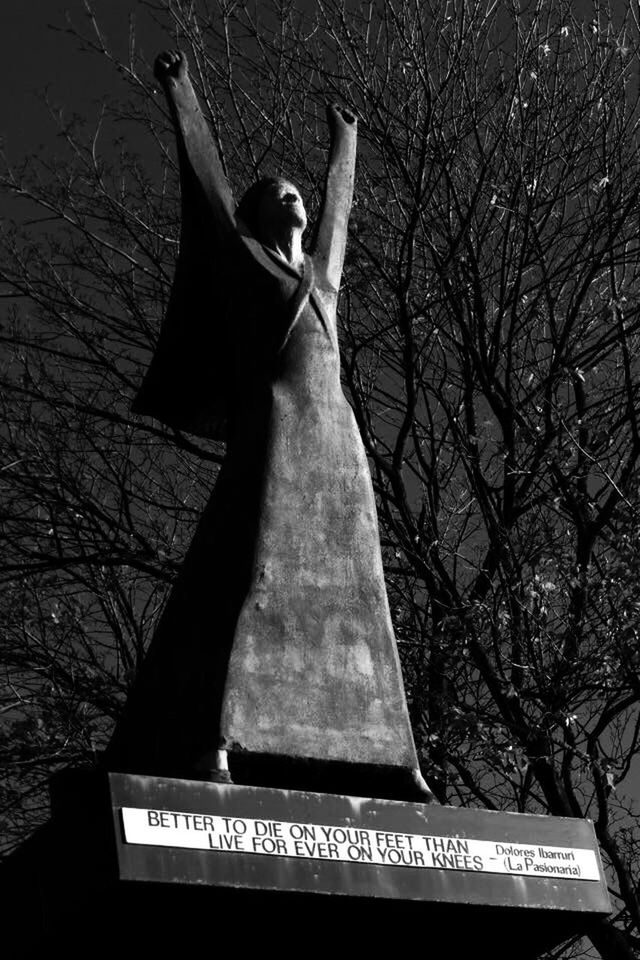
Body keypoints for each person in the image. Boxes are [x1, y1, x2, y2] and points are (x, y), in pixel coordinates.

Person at [106, 50, 432, 801]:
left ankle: (397, 758)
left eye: (298, 193)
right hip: (277, 426)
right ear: (257, 216)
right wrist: (183, 92)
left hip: (337, 438)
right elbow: (207, 186)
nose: (293, 199)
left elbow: (341, 213)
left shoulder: (324, 278)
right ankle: (224, 736)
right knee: (255, 567)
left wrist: (345, 147)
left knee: (362, 587)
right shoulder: (241, 256)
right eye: (278, 194)